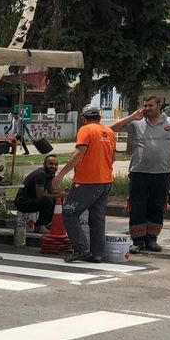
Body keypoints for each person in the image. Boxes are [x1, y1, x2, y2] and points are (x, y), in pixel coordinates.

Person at [110, 96, 170, 254]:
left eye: (150, 105)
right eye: (144, 105)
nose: (147, 108)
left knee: (157, 207)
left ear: (159, 106)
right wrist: (131, 116)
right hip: (138, 172)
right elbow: (112, 129)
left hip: (162, 173)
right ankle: (137, 240)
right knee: (137, 207)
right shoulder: (137, 123)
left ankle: (151, 239)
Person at [52, 105, 116, 263]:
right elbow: (113, 157)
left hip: (88, 181)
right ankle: (98, 253)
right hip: (106, 181)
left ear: (83, 118)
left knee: (69, 212)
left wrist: (61, 174)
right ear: (99, 117)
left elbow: (79, 153)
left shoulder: (85, 130)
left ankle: (81, 249)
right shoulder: (109, 132)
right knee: (97, 218)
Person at [14, 154, 63, 233]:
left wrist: (62, 193)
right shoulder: (41, 174)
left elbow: (50, 190)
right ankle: (39, 226)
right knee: (47, 201)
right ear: (44, 164)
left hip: (33, 200)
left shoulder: (50, 174)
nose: (53, 166)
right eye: (50, 164)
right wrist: (58, 195)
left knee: (57, 199)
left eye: (56, 164)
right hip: (22, 202)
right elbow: (40, 196)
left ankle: (48, 223)